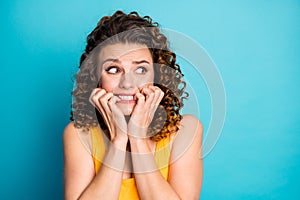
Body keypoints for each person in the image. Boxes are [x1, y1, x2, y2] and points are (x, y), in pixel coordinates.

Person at [63, 10, 203, 200]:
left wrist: (137, 138)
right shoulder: (79, 134)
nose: (127, 84)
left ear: (157, 76)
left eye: (140, 69)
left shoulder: (185, 130)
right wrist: (119, 141)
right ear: (97, 79)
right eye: (113, 69)